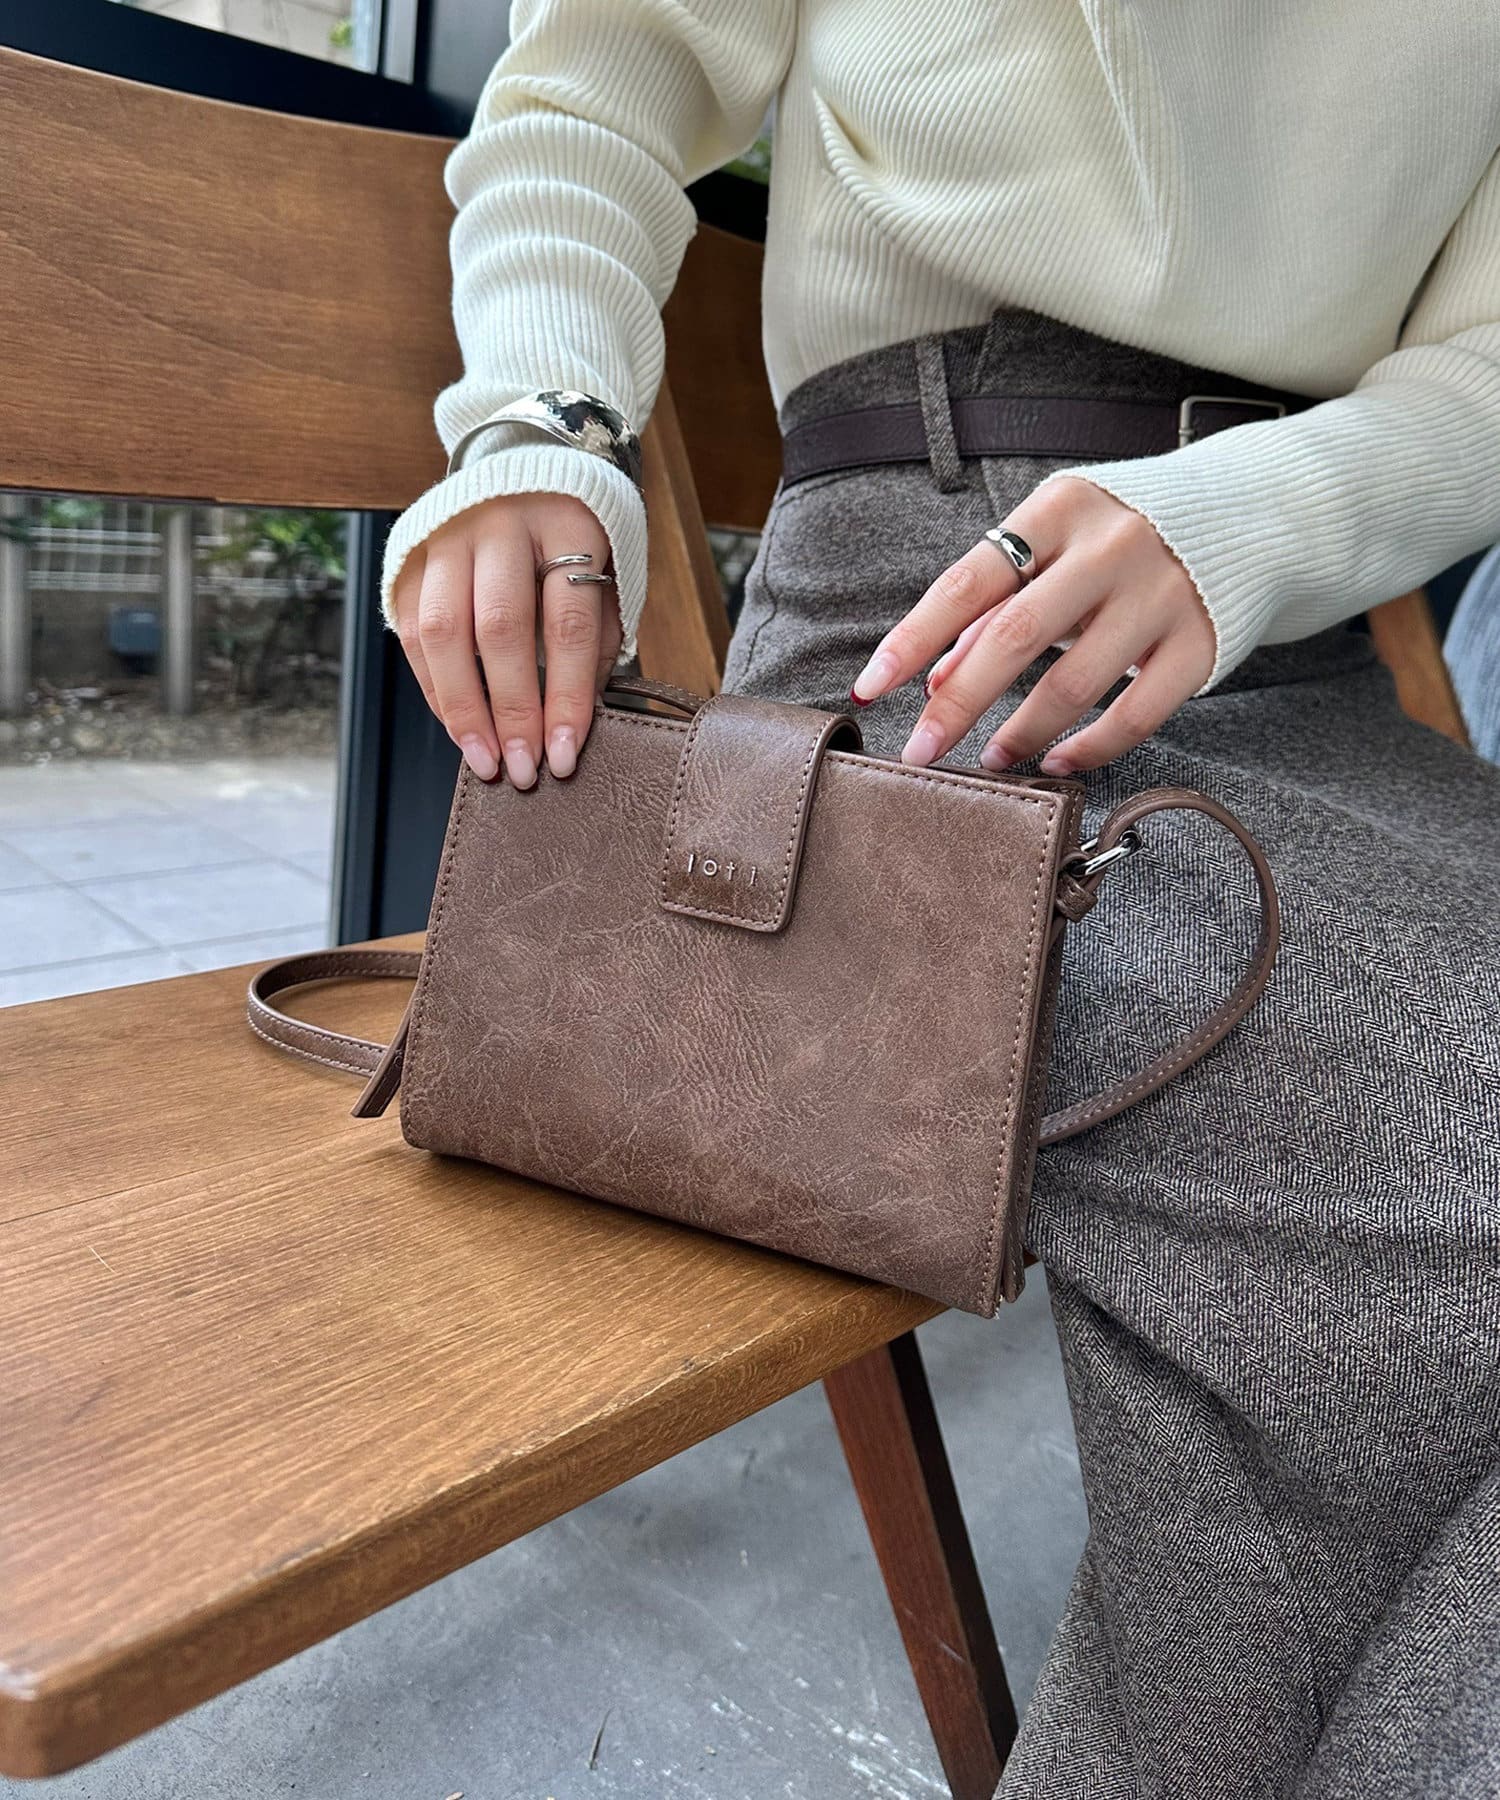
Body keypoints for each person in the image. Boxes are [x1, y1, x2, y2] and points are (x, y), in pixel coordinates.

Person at [381, 4, 1500, 1795]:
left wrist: (1259, 514)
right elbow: (603, 69)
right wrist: (538, 418)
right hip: (932, 650)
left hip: (1301, 636)